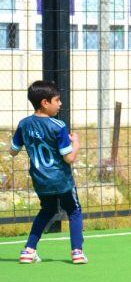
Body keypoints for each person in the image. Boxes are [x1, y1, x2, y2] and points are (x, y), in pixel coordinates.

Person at [11, 80, 86, 264]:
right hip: (61, 180)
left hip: (40, 181)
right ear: (45, 102)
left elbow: (13, 151)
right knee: (74, 210)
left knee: (47, 210)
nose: (60, 104)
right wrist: (76, 143)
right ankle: (77, 252)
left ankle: (29, 250)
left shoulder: (24, 124)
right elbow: (69, 158)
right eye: (57, 100)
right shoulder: (58, 125)